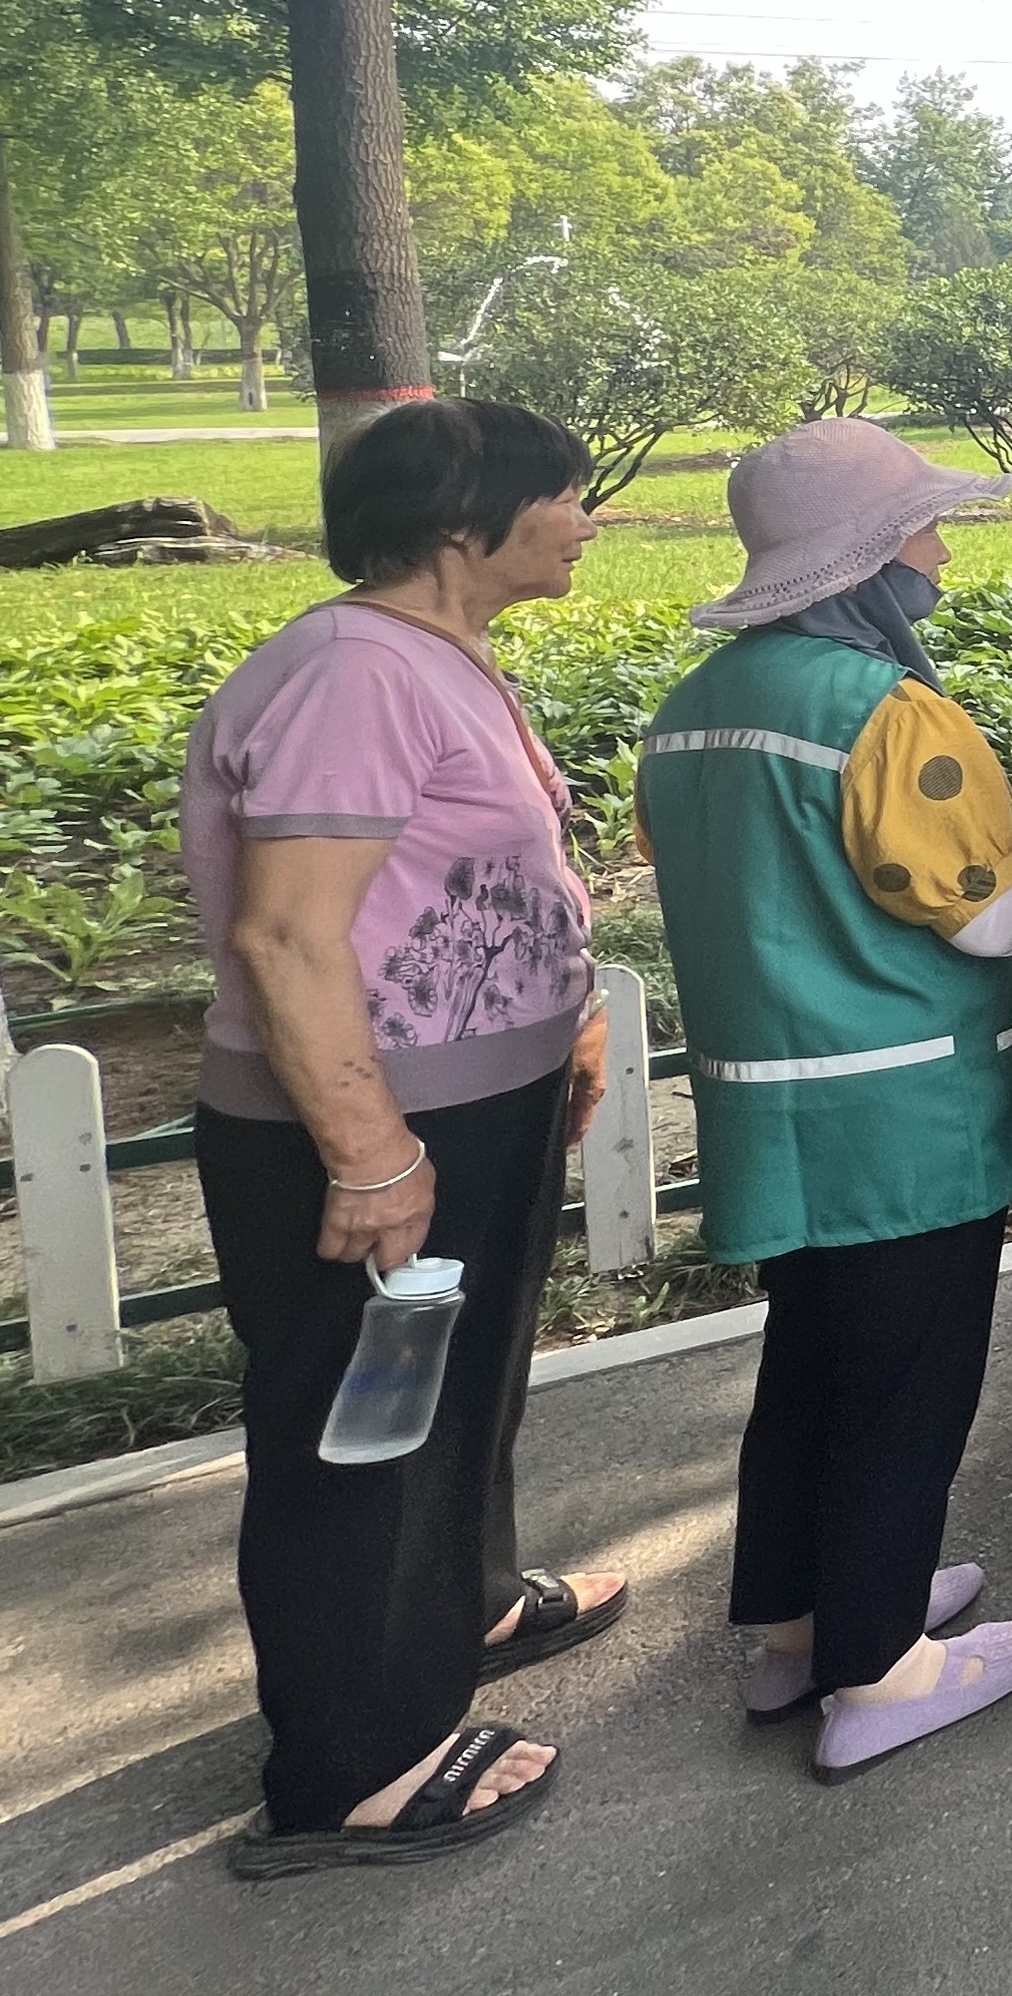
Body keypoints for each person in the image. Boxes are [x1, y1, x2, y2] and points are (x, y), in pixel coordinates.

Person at [182, 400, 628, 1877]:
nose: (586, 520)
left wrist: (566, 1023)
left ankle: (463, 1605)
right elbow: (288, 935)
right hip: (379, 1120)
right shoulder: (353, 673)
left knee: (459, 1389)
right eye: (564, 495)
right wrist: (371, 1155)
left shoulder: (438, 656)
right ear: (457, 519)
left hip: (470, 1100)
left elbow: (483, 880)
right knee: (361, 1429)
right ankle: (357, 1762)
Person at [636, 419, 1012, 1777]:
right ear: (866, 558)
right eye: (921, 530)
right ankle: (881, 1667)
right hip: (903, 1118)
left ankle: (798, 1623)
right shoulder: (888, 713)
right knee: (905, 1388)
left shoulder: (694, 705)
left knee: (812, 1368)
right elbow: (991, 921)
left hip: (772, 1116)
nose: (940, 553)